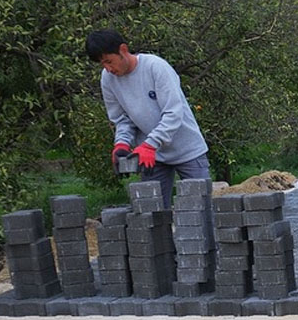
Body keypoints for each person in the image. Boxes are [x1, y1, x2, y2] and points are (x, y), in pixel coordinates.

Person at [85, 30, 209, 208]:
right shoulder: (108, 80)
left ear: (123, 49)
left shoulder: (155, 67)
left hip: (187, 150)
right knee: (152, 215)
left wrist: (151, 144)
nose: (108, 69)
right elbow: (122, 119)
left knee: (202, 211)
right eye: (102, 64)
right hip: (151, 157)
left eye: (109, 61)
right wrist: (121, 144)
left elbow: (173, 113)